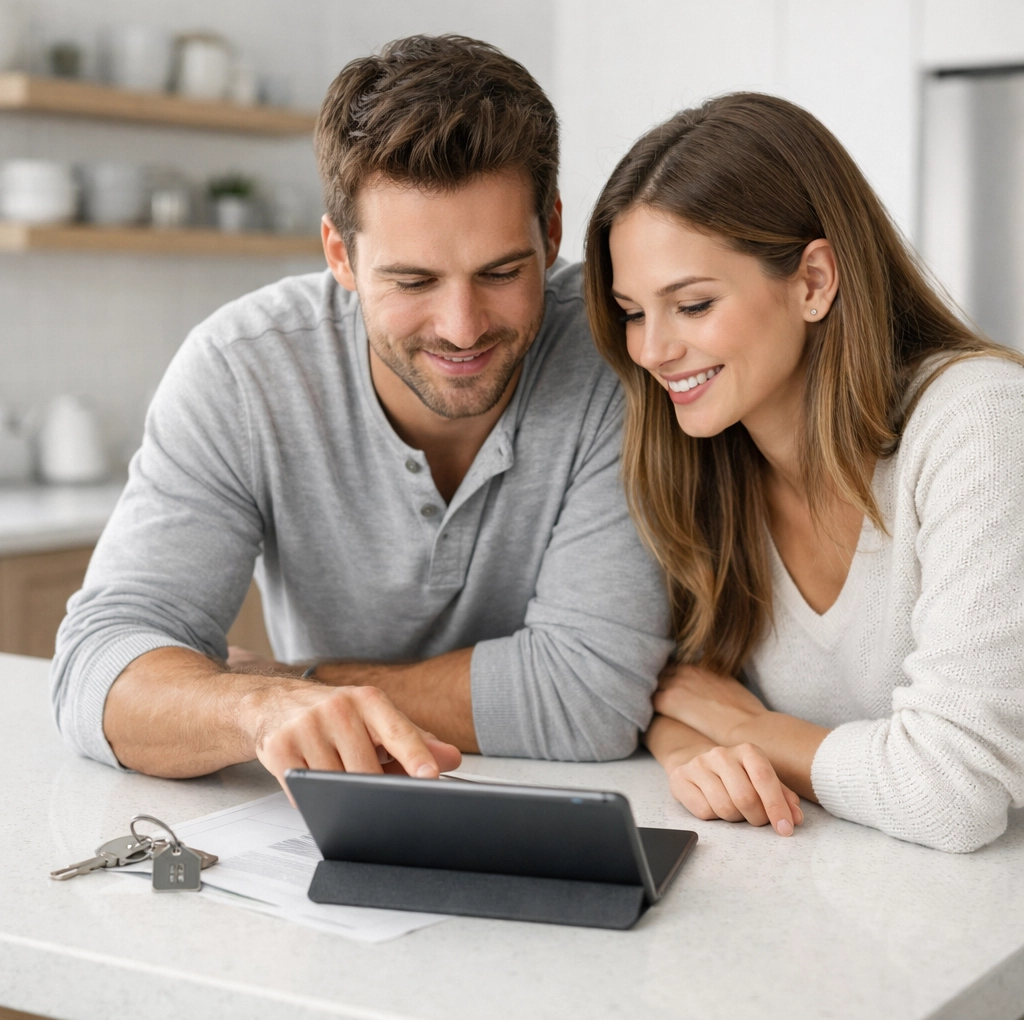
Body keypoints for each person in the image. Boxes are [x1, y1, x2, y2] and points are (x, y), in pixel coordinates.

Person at [51, 35, 673, 790]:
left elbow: (585, 699)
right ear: (339, 255)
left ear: (550, 233)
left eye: (501, 272)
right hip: (338, 817)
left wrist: (302, 684)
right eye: (412, 281)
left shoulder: (623, 352)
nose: (462, 325)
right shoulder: (242, 371)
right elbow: (95, 670)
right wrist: (259, 709)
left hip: (592, 807)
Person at [583, 92, 1024, 854]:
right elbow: (677, 690)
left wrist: (751, 729)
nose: (651, 351)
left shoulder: (977, 424)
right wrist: (694, 750)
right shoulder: (704, 459)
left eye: (691, 305)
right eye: (632, 311)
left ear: (814, 281)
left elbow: (955, 791)